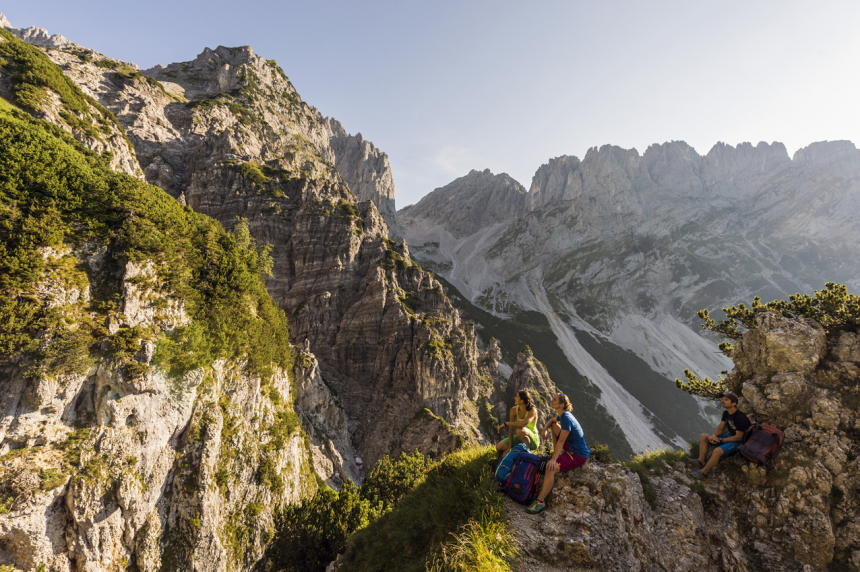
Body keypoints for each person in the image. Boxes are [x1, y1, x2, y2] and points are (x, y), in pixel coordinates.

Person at [527, 392, 589, 514]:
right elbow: (552, 421)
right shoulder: (563, 415)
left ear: (561, 404)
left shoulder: (566, 418)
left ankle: (540, 502)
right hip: (570, 447)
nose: (552, 400)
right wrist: (544, 430)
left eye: (554, 400)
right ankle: (556, 455)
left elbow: (561, 441)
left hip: (577, 455)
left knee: (550, 468)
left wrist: (554, 460)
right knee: (554, 426)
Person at [686, 391, 752, 479]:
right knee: (704, 436)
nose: (722, 401)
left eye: (726, 400)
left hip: (740, 442)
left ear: (733, 404)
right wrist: (713, 436)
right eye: (723, 399)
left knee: (717, 451)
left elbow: (739, 437)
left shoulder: (740, 417)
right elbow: (720, 428)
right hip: (730, 436)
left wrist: (721, 440)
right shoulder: (726, 413)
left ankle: (703, 473)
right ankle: (700, 462)